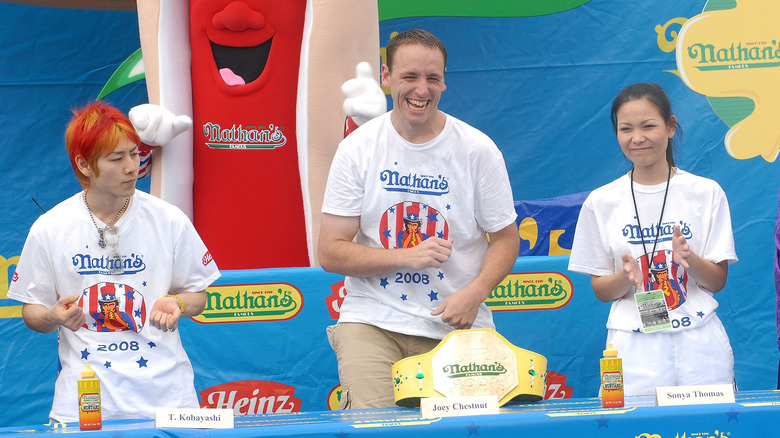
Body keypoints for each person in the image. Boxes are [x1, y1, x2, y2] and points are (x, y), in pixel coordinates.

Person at [319, 29, 520, 409]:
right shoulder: (357, 148)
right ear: (386, 77)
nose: (421, 90)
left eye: (432, 78)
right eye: (410, 77)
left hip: (456, 322)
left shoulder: (478, 149)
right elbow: (331, 252)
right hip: (373, 319)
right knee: (376, 431)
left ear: (444, 80)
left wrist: (474, 295)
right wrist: (406, 256)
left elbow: (507, 240)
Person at [8, 101, 220, 422]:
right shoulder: (51, 227)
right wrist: (53, 316)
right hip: (85, 405)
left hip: (167, 401)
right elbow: (31, 312)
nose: (132, 167)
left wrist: (177, 302)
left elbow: (198, 295)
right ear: (84, 165)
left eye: (135, 153)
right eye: (117, 158)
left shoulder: (168, 219)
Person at [568, 83, 737, 396]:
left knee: (709, 427)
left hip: (699, 340)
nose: (637, 138)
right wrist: (625, 277)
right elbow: (602, 291)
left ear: (671, 127)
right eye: (625, 129)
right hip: (633, 346)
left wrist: (690, 260)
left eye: (649, 126)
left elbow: (717, 281)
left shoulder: (706, 193)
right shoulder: (601, 201)